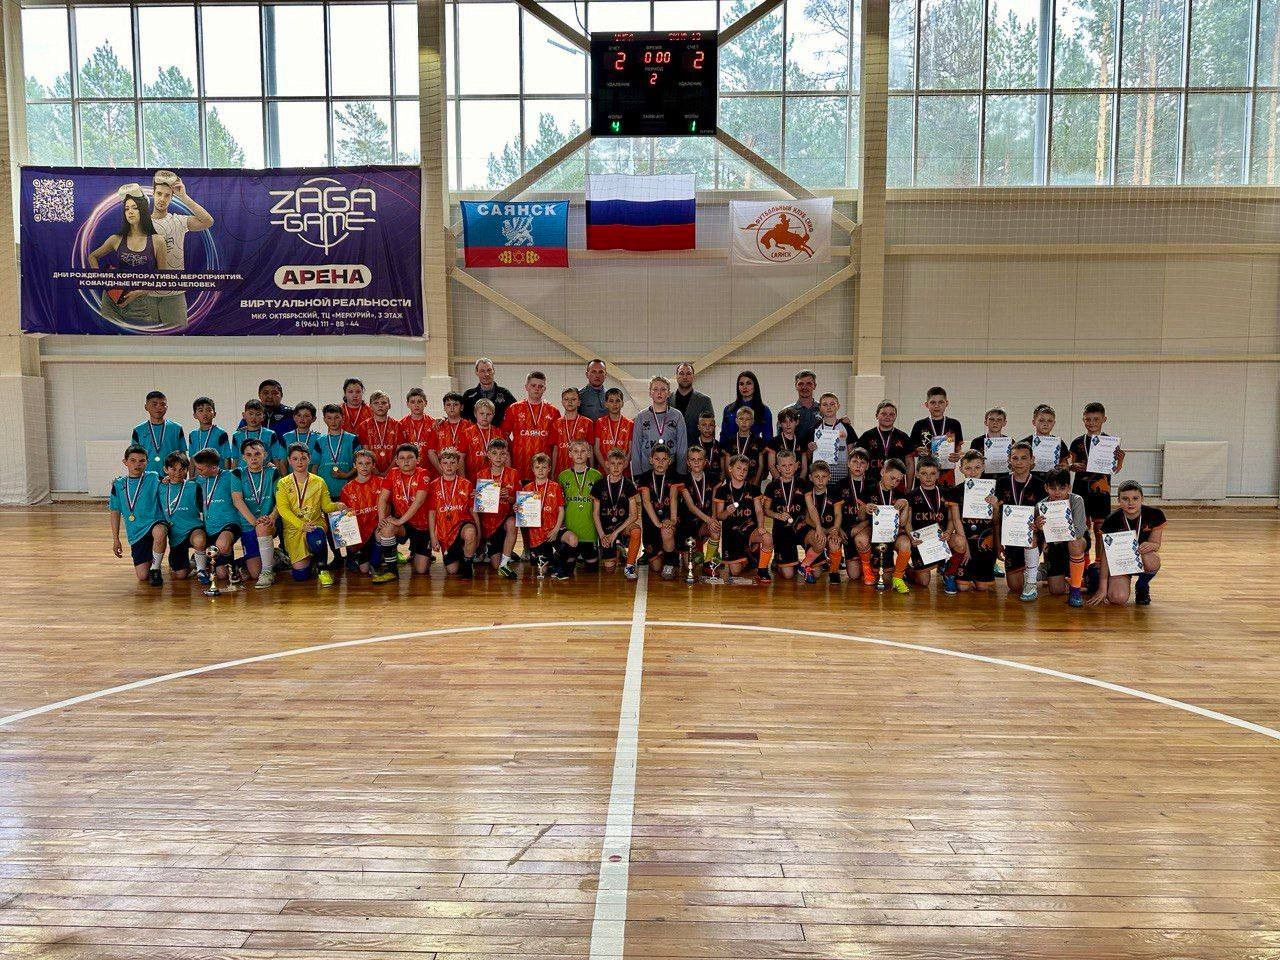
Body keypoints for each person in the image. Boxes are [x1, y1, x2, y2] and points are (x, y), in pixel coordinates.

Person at [90, 191, 168, 326]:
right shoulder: (116, 239)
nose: (130, 212)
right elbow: (92, 256)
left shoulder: (157, 241)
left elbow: (164, 278)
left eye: (134, 208)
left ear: (143, 210)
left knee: (140, 337)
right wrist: (102, 279)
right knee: (109, 336)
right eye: (127, 209)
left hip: (141, 304)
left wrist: (140, 292)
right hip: (112, 300)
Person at [149, 171, 214, 329]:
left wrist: (183, 197)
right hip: (145, 295)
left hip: (174, 295)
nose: (162, 199)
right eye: (159, 194)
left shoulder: (177, 221)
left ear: (172, 198)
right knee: (145, 341)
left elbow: (207, 221)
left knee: (177, 339)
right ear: (153, 194)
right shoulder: (139, 223)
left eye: (167, 195)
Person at [275, 442, 342, 586]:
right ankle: (311, 560)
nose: (299, 462)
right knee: (301, 576)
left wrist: (338, 506)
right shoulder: (283, 483)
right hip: (294, 528)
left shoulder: (319, 481)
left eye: (303, 458)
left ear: (309, 459)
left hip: (315, 523)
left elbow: (326, 506)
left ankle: (323, 570)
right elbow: (283, 509)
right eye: (295, 459)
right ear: (289, 460)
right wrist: (301, 525)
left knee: (315, 534)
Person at [1068, 401, 1126, 566]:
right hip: (1080, 490)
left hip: (1101, 492)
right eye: (1088, 419)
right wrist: (1072, 467)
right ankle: (1084, 560)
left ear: (1104, 419)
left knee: (1100, 528)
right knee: (1082, 527)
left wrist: (1120, 460)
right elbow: (1070, 465)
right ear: (1083, 420)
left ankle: (1099, 562)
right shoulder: (1077, 442)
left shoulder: (1110, 442)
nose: (1092, 423)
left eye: (1096, 419)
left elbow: (1114, 469)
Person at [1091, 480, 1165, 606]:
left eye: (1135, 498)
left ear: (1142, 498)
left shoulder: (1155, 514)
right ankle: (1099, 578)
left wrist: (1151, 545)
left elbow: (1156, 544)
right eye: (1125, 499)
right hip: (1120, 564)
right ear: (1118, 500)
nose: (1131, 503)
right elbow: (1105, 554)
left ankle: (1142, 585)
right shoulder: (1111, 520)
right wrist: (1102, 588)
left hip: (1142, 559)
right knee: (1117, 598)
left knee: (1151, 559)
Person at [902, 455, 966, 594]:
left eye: (932, 473)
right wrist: (912, 538)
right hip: (921, 542)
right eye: (924, 473)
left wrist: (948, 532)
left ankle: (949, 574)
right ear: (917, 474)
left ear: (938, 474)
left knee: (960, 542)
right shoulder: (911, 495)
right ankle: (908, 570)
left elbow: (951, 519)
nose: (928, 477)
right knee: (923, 582)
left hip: (942, 539)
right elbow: (907, 522)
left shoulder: (947, 493)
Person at [994, 441, 1047, 601]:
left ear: (1032, 460)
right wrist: (998, 542)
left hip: (1034, 536)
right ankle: (1037, 571)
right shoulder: (1001, 483)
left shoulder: (1041, 485)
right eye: (1015, 458)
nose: (1019, 462)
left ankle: (1031, 581)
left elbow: (1047, 517)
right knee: (1015, 586)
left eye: (1024, 458)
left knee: (1031, 535)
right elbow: (996, 518)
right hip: (1010, 537)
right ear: (1009, 460)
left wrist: (1039, 526)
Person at [108, 444, 168, 585]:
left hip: (154, 523)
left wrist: (167, 480)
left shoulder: (153, 477)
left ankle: (156, 569)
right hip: (136, 532)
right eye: (133, 460)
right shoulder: (118, 485)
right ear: (125, 462)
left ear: (147, 462)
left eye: (142, 461)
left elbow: (170, 483)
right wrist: (116, 539)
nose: (137, 464)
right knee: (142, 576)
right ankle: (152, 559)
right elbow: (115, 512)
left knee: (160, 532)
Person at [374, 443, 433, 579]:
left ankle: (421, 553)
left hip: (422, 526)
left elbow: (418, 502)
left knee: (421, 570)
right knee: (386, 528)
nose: (406, 461)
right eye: (402, 458)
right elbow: (382, 498)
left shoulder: (424, 474)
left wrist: (400, 521)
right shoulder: (393, 473)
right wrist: (382, 520)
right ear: (396, 461)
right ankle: (391, 571)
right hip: (404, 524)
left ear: (418, 460)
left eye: (410, 457)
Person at [191, 447, 244, 595]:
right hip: (210, 528)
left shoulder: (231, 476)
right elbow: (184, 483)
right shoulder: (200, 480)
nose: (198, 471)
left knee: (222, 544)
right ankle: (233, 566)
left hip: (230, 524)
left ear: (214, 467)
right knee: (221, 575)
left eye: (200, 469)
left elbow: (249, 473)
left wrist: (268, 465)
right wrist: (167, 480)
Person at [946, 449, 999, 593]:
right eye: (968, 468)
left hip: (985, 542)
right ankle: (949, 569)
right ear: (961, 469)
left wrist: (995, 506)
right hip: (966, 539)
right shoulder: (955, 491)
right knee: (963, 587)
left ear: (983, 467)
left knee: (983, 588)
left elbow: (996, 521)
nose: (973, 472)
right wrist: (966, 548)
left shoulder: (992, 489)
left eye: (977, 467)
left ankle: (979, 575)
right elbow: (956, 519)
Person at [232, 438, 280, 589]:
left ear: (264, 455)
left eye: (257, 454)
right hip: (248, 523)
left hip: (268, 522)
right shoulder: (237, 474)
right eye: (249, 455)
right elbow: (237, 501)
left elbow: (281, 501)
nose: (253, 458)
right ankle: (275, 556)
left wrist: (271, 517)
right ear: (243, 457)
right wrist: (254, 521)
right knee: (254, 573)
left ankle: (267, 572)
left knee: (262, 528)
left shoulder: (273, 472)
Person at [1039, 468, 1090, 608]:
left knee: (1074, 542)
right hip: (1055, 545)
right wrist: (1038, 527)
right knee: (1056, 590)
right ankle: (1071, 580)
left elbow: (1079, 532)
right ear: (1046, 488)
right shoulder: (1041, 506)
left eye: (1062, 488)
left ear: (1069, 487)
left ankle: (1075, 590)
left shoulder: (1076, 500)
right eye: (1052, 488)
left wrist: (1054, 537)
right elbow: (1041, 534)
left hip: (1076, 541)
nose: (1057, 492)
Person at [713, 454, 768, 583]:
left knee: (767, 538)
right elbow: (719, 516)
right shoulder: (722, 491)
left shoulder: (754, 489)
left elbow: (759, 510)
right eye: (738, 468)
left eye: (745, 469)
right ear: (730, 468)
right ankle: (748, 558)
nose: (742, 472)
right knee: (735, 572)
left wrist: (761, 526)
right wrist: (727, 511)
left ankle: (763, 569)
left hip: (750, 530)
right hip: (731, 534)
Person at [427, 449, 480, 579]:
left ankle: (468, 564)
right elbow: (432, 513)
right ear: (440, 465)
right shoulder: (433, 485)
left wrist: (479, 531)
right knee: (452, 570)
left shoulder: (466, 484)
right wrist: (433, 537)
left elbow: (473, 510)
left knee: (470, 533)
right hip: (445, 531)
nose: (449, 466)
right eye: (445, 463)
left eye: (452, 462)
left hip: (462, 524)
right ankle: (463, 553)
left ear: (457, 465)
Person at [761, 449, 812, 581]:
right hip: (781, 530)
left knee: (817, 573)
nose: (787, 468)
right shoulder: (772, 486)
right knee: (788, 575)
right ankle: (780, 562)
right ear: (778, 468)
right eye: (783, 466)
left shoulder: (804, 484)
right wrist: (777, 515)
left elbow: (811, 509)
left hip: (800, 527)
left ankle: (802, 563)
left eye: (790, 465)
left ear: (796, 466)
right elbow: (765, 510)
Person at [475, 437, 520, 579]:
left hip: (505, 518)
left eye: (502, 453)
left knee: (513, 523)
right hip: (489, 522)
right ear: (488, 454)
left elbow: (518, 501)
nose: (498, 457)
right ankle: (491, 549)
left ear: (506, 455)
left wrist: (509, 497)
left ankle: (505, 563)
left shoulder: (513, 473)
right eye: (494, 453)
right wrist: (477, 496)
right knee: (494, 564)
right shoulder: (481, 475)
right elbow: (478, 505)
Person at [593, 449, 642, 579]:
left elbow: (634, 515)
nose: (616, 467)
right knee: (609, 569)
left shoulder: (629, 485)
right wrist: (602, 535)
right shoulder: (599, 484)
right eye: (612, 463)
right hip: (606, 528)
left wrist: (615, 533)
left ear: (625, 464)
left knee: (636, 531)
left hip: (623, 526)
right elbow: (595, 514)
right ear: (607, 464)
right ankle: (618, 552)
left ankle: (629, 566)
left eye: (619, 463)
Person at [635, 443, 681, 579]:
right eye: (657, 459)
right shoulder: (644, 477)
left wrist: (673, 520)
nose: (660, 462)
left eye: (664, 459)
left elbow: (673, 498)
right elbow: (646, 502)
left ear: (669, 461)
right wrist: (657, 523)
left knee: (667, 530)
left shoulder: (674, 476)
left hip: (667, 518)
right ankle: (664, 554)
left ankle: (670, 563)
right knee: (655, 568)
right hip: (651, 522)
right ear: (651, 460)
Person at [158, 451, 206, 582]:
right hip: (175, 536)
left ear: (187, 469)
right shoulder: (160, 487)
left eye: (182, 469)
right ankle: (195, 561)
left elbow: (211, 475)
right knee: (180, 575)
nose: (178, 473)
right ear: (165, 469)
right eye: (173, 469)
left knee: (199, 540)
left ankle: (202, 570)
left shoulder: (194, 486)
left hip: (193, 528)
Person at [520, 453, 569, 580]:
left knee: (572, 540)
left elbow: (561, 510)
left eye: (544, 467)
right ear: (532, 469)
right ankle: (550, 560)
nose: (540, 470)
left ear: (549, 469)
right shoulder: (527, 489)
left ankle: (558, 560)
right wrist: (518, 508)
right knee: (542, 571)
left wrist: (556, 529)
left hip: (553, 530)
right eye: (537, 467)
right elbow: (522, 514)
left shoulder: (556, 487)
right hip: (536, 535)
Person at [506, 371, 562, 482]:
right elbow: (504, 434)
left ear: (544, 389)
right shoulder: (514, 409)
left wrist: (553, 472)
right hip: (520, 467)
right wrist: (515, 449)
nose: (537, 389)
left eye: (540, 386)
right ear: (526, 387)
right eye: (533, 385)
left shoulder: (553, 411)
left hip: (543, 470)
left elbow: (556, 444)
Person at [559, 440, 603, 574]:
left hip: (589, 532)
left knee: (592, 571)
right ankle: (559, 554)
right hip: (571, 529)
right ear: (570, 454)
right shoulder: (562, 476)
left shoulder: (597, 476)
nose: (579, 454)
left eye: (583, 451)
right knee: (568, 569)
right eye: (576, 451)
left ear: (589, 453)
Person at [338, 450, 385, 577]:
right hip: (359, 533)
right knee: (363, 569)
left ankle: (377, 561)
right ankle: (354, 556)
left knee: (383, 532)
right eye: (360, 463)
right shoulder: (347, 489)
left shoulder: (382, 482)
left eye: (368, 463)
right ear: (355, 465)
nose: (364, 466)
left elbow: (389, 506)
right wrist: (350, 542)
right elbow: (344, 519)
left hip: (377, 528)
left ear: (373, 465)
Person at [797, 459, 844, 585]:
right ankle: (805, 565)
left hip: (829, 528)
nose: (820, 480)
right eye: (817, 477)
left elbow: (838, 514)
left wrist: (835, 529)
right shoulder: (808, 492)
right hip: (811, 529)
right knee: (820, 541)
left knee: (834, 542)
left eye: (824, 477)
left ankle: (834, 572)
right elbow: (808, 518)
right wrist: (820, 529)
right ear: (811, 478)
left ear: (829, 477)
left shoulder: (834, 492)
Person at [631, 376, 689, 475]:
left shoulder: (677, 415)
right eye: (655, 389)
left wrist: (681, 473)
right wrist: (637, 474)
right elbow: (636, 446)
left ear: (668, 393)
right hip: (646, 470)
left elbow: (682, 447)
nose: (659, 393)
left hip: (671, 469)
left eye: (663, 389)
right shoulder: (641, 416)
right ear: (650, 393)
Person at [677, 445, 718, 580]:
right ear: (688, 462)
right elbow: (691, 507)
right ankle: (684, 552)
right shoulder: (683, 480)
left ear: (705, 462)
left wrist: (713, 519)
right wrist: (709, 520)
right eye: (693, 460)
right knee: (689, 565)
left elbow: (714, 502)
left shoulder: (713, 478)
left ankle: (709, 562)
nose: (696, 462)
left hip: (704, 522)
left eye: (699, 459)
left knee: (716, 528)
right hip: (687, 525)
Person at [872, 458, 913, 594]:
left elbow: (902, 523)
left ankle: (898, 577)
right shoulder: (869, 489)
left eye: (898, 480)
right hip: (874, 535)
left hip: (893, 534)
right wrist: (865, 508)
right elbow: (860, 518)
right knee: (883, 579)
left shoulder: (900, 495)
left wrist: (906, 505)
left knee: (905, 543)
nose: (894, 483)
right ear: (882, 472)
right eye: (892, 478)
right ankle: (867, 568)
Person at [838, 447, 877, 585]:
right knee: (854, 575)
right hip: (847, 531)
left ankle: (867, 564)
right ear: (848, 463)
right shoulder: (839, 485)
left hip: (867, 528)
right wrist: (839, 528)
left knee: (861, 539)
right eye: (854, 461)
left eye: (862, 463)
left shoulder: (874, 484)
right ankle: (864, 558)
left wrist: (862, 525)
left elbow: (878, 513)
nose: (858, 466)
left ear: (867, 466)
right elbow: (834, 512)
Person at [909, 386, 964, 484]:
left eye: (941, 402)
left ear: (946, 403)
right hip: (925, 473)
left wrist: (958, 456)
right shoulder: (919, 425)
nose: (937, 406)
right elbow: (911, 450)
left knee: (947, 494)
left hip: (946, 473)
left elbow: (958, 449)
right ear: (926, 404)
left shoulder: (954, 424)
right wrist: (918, 451)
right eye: (933, 402)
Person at [857, 401, 914, 487]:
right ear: (876, 415)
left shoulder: (903, 437)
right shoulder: (867, 436)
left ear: (895, 416)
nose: (887, 417)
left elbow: (910, 464)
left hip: (897, 485)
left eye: (891, 414)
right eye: (884, 414)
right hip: (871, 484)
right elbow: (857, 461)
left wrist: (909, 487)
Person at [132, 391, 186, 470]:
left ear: (166, 407)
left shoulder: (176, 428)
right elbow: (134, 456)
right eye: (154, 404)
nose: (159, 407)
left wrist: (183, 473)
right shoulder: (138, 430)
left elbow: (183, 454)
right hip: (147, 474)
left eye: (162, 404)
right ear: (146, 407)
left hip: (172, 474)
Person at [315, 403, 359, 498]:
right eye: (329, 418)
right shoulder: (319, 441)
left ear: (343, 418)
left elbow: (359, 463)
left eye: (336, 417)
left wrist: (347, 475)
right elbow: (314, 467)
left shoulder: (353, 439)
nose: (333, 421)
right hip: (325, 490)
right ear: (324, 419)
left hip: (347, 489)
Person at [719, 370, 773, 445]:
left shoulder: (764, 410)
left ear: (755, 386)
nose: (745, 387)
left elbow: (768, 438)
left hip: (754, 450)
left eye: (748, 383)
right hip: (731, 450)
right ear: (738, 387)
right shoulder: (729, 409)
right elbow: (723, 436)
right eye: (741, 384)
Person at [807, 393, 852, 484]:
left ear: (838, 406)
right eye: (825, 404)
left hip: (842, 475)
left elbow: (851, 453)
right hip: (820, 477)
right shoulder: (814, 429)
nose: (829, 407)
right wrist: (810, 449)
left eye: (832, 404)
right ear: (820, 407)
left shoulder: (846, 427)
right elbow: (808, 456)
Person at [431, 392, 478, 477]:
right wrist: (443, 471)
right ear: (444, 407)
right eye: (448, 405)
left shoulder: (470, 427)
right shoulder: (437, 426)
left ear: (462, 407)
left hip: (467, 473)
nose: (452, 408)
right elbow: (431, 452)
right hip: (442, 474)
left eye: (455, 404)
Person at [232, 400, 286, 472]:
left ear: (263, 417)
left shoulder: (270, 434)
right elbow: (235, 460)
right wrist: (233, 477)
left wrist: (277, 475)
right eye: (251, 414)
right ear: (244, 415)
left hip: (265, 474)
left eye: (258, 414)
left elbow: (276, 459)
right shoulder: (237, 435)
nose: (254, 417)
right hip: (243, 475)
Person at [462, 357, 517, 425]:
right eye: (482, 371)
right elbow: (461, 418)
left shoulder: (505, 394)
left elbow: (516, 414)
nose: (486, 374)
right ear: (476, 372)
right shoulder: (468, 395)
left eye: (489, 370)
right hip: (475, 432)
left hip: (499, 432)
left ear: (494, 371)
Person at [1023, 403, 1070, 481]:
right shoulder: (1025, 443)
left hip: (1052, 483)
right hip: (1030, 482)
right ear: (1034, 422)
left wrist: (1064, 468)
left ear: (1054, 423)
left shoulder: (1059, 443)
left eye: (1050, 421)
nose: (1045, 424)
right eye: (1041, 420)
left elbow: (1065, 466)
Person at [672, 362, 714, 442]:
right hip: (672, 447)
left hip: (697, 447)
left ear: (693, 376)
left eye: (688, 373)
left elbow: (710, 429)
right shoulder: (667, 400)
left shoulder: (705, 401)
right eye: (681, 373)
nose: (685, 377)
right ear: (676, 376)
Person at [595, 388, 634, 472]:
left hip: (623, 471)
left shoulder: (630, 424)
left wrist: (625, 463)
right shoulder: (600, 422)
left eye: (617, 401)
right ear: (606, 404)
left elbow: (631, 449)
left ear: (622, 403)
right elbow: (596, 449)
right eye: (611, 401)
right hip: (604, 470)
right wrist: (605, 467)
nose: (614, 404)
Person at [557, 388, 596, 470]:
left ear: (579, 403)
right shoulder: (556, 423)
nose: (570, 402)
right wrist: (553, 472)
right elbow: (555, 449)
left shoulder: (587, 423)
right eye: (566, 399)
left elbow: (590, 448)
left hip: (582, 470)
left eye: (573, 399)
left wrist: (591, 469)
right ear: (562, 402)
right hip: (561, 469)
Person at [187, 396, 232, 468]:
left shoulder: (221, 434)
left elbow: (227, 458)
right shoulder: (192, 435)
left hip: (217, 474)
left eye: (208, 410)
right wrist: (192, 475)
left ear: (214, 414)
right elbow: (192, 459)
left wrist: (227, 475)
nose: (205, 413)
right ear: (195, 415)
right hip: (199, 474)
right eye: (200, 410)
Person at [399, 388, 437, 474]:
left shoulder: (433, 424)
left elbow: (434, 451)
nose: (416, 405)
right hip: (408, 470)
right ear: (407, 404)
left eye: (419, 401)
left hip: (430, 470)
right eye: (413, 402)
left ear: (425, 403)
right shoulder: (401, 424)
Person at [724, 406, 764, 486]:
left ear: (752, 422)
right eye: (741, 419)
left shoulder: (759, 441)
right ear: (736, 421)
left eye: (748, 419)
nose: (744, 422)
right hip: (733, 483)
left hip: (752, 482)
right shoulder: (730, 441)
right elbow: (727, 465)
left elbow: (761, 465)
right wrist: (733, 482)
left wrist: (755, 483)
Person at [465, 399, 502, 480]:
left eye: (489, 414)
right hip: (472, 478)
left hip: (495, 479)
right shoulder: (467, 433)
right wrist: (463, 479)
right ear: (475, 414)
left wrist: (507, 476)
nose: (485, 417)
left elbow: (506, 455)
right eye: (481, 413)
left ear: (493, 415)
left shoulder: (499, 432)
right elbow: (461, 458)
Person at [767, 407, 808, 481]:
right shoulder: (773, 441)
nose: (788, 425)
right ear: (780, 424)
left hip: (798, 481)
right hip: (779, 482)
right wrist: (780, 482)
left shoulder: (802, 441)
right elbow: (771, 466)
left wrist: (800, 482)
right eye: (784, 422)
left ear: (797, 422)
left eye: (791, 421)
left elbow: (804, 467)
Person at [969, 407, 1010, 477]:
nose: (995, 422)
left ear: (1004, 423)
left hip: (1004, 478)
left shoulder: (1010, 442)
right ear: (986, 422)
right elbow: (970, 463)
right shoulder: (976, 442)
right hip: (982, 479)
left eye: (999, 420)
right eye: (991, 419)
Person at [692, 410, 724, 488]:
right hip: (697, 486)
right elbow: (688, 469)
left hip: (716, 486)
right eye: (704, 425)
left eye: (711, 425)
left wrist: (720, 483)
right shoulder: (692, 446)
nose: (707, 428)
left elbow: (723, 471)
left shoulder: (720, 446)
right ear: (698, 427)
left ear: (714, 427)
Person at [790, 370, 821, 442]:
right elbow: (781, 439)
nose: (804, 387)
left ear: (815, 386)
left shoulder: (823, 410)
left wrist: (843, 422)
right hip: (795, 449)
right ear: (796, 386)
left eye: (809, 384)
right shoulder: (788, 412)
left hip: (819, 449)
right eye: (801, 384)